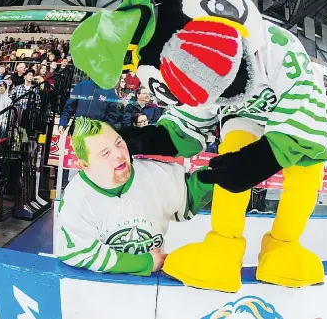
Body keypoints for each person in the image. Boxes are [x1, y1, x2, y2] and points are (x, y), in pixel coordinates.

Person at [54, 117, 213, 275]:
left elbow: (187, 202)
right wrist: (146, 263)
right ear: (84, 165)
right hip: (99, 292)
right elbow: (78, 253)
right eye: (105, 153)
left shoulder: (156, 174)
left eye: (119, 143)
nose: (118, 154)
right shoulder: (76, 199)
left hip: (150, 290)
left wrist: (214, 176)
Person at [58, 79, 123, 135]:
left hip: (95, 135)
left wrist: (103, 130)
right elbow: (69, 106)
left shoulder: (110, 92)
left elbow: (113, 115)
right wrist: (62, 123)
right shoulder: (82, 85)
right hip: (76, 131)